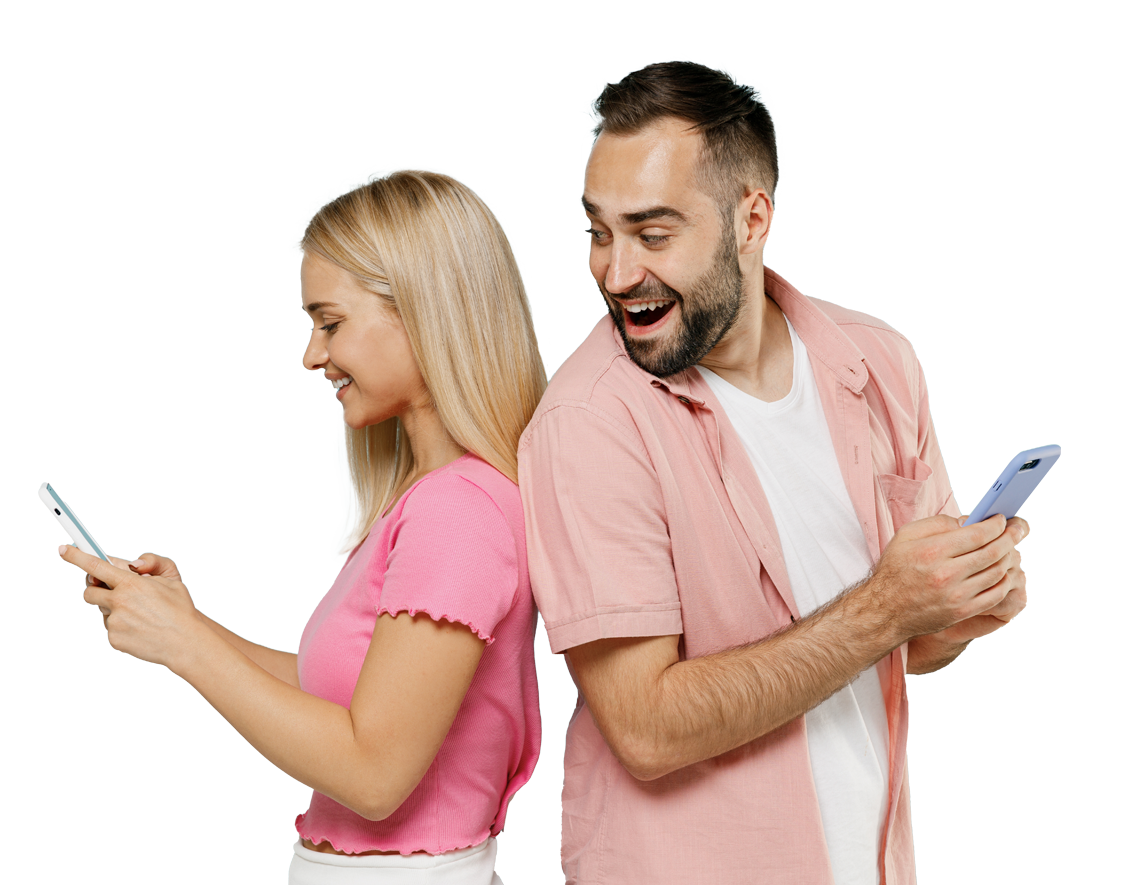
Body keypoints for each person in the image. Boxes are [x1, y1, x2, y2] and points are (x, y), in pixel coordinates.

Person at [518, 62, 1030, 885]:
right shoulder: (589, 423)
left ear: (751, 218)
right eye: (599, 232)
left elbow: (911, 646)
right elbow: (644, 726)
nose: (615, 273)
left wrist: (957, 605)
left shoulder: (880, 363)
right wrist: (887, 605)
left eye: (652, 234)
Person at [59, 169, 548, 884]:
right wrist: (185, 623)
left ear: (420, 311)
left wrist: (185, 645)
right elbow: (347, 694)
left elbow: (375, 774)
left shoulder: (458, 511)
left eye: (331, 322)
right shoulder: (435, 499)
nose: (313, 355)